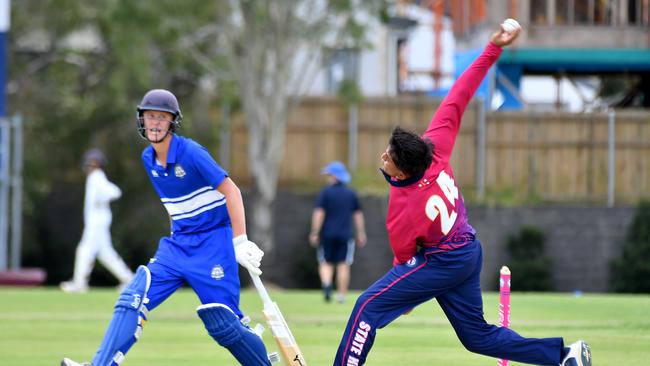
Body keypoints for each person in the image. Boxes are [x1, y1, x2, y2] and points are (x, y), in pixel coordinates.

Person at [333, 23, 592, 366]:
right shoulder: (435, 147)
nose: (383, 157)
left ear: (404, 171)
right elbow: (461, 92)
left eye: (389, 158)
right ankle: (563, 356)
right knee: (476, 336)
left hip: (442, 261)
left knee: (367, 306)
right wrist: (493, 48)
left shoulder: (404, 206)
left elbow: (403, 257)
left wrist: (404, 299)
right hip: (468, 250)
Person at [62, 89, 271, 366]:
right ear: (142, 120)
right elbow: (175, 204)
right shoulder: (148, 159)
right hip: (178, 245)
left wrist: (240, 241)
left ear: (172, 122)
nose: (156, 123)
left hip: (212, 245)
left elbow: (231, 191)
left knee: (225, 324)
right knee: (132, 298)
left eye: (162, 117)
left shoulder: (192, 153)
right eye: (150, 117)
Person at [60, 149, 133, 293]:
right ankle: (130, 280)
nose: (89, 166)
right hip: (98, 220)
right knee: (106, 255)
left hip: (97, 221)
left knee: (84, 250)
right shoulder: (95, 178)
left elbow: (115, 192)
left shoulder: (97, 177)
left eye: (92, 163)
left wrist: (102, 198)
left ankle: (79, 284)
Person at [309, 161, 367, 304]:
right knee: (343, 265)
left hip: (327, 234)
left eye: (329, 175)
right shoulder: (350, 193)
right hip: (345, 236)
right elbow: (358, 215)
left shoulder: (325, 193)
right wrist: (361, 233)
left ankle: (327, 284)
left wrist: (315, 232)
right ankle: (341, 296)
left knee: (325, 263)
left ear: (334, 176)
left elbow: (319, 213)